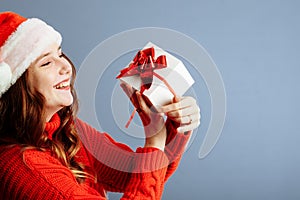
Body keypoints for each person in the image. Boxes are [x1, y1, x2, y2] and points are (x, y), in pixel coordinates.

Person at [0, 11, 200, 200]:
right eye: (46, 63)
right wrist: (154, 141)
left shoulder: (65, 128)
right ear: (15, 86)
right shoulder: (21, 167)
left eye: (60, 55)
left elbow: (133, 174)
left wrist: (173, 125)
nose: (65, 67)